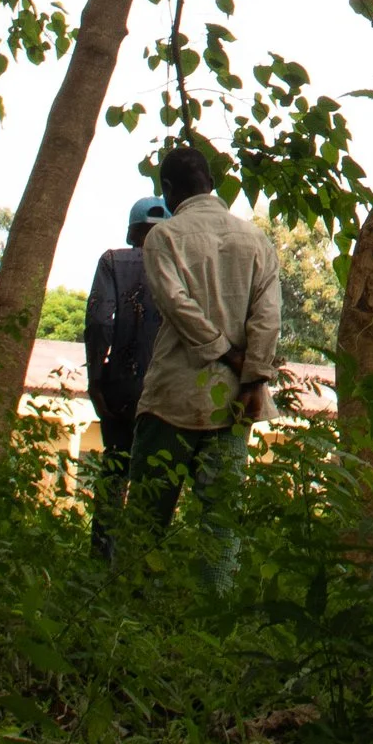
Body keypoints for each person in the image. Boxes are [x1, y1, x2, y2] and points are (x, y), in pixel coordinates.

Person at [128, 135, 281, 571]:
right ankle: (216, 617)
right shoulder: (257, 241)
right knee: (222, 523)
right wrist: (252, 378)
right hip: (236, 400)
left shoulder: (163, 237)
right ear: (212, 182)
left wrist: (226, 355)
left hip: (172, 396)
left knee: (146, 518)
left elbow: (177, 306)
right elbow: (267, 319)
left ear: (168, 191)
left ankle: (129, 612)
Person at [85, 191, 167, 557]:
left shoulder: (112, 262)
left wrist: (96, 380)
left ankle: (101, 557)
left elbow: (99, 322)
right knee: (156, 479)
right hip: (167, 389)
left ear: (133, 232)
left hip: (120, 387)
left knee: (115, 469)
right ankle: (140, 563)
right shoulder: (183, 266)